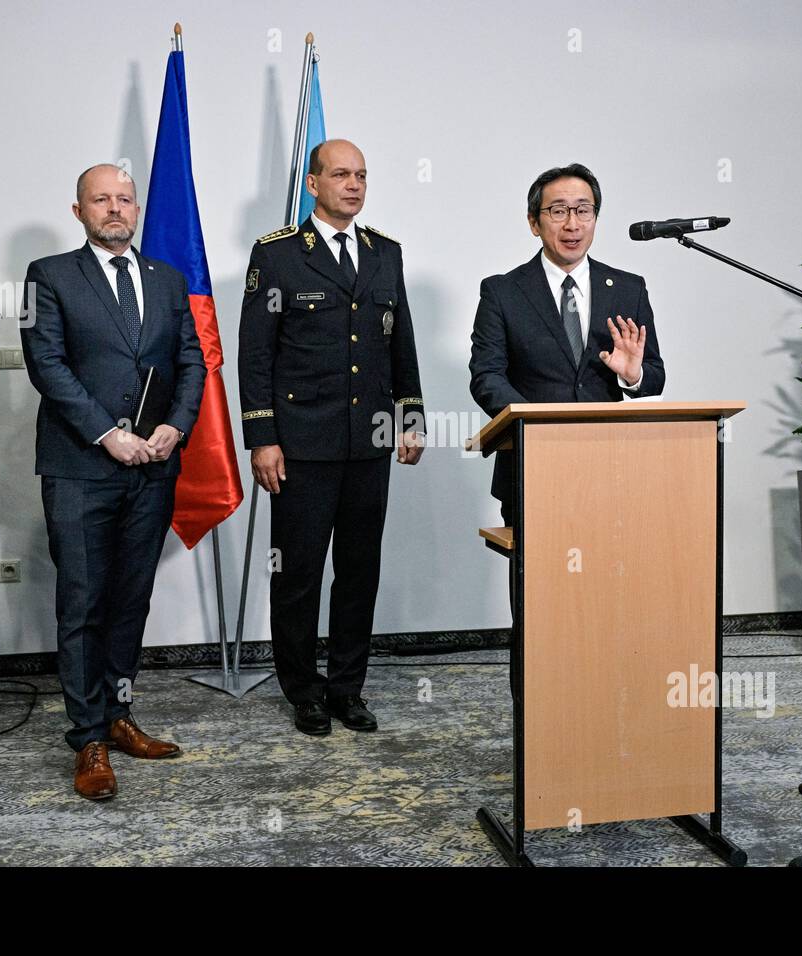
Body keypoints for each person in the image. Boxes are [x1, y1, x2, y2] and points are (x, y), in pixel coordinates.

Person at [21, 164, 205, 799]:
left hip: (153, 466)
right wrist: (108, 433)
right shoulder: (49, 276)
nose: (115, 208)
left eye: (124, 199)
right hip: (82, 466)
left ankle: (119, 715)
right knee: (83, 602)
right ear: (79, 211)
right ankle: (88, 740)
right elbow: (46, 363)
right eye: (101, 199)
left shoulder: (167, 279)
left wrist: (176, 428)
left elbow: (191, 360)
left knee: (130, 599)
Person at [237, 139, 425, 737]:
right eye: (341, 174)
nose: (354, 185)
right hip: (302, 444)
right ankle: (304, 691)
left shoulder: (384, 254)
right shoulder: (280, 255)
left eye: (362, 175)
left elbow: (401, 343)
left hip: (367, 442)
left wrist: (411, 415)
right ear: (313, 184)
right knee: (298, 575)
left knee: (359, 571)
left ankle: (347, 688)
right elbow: (254, 354)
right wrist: (262, 438)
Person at [469, 163, 665, 526]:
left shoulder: (628, 289)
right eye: (558, 211)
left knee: (611, 578)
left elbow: (655, 376)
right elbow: (486, 376)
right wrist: (535, 424)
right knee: (540, 581)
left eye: (583, 210)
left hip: (612, 467)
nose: (572, 224)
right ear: (534, 222)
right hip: (530, 466)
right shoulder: (502, 292)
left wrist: (633, 375)